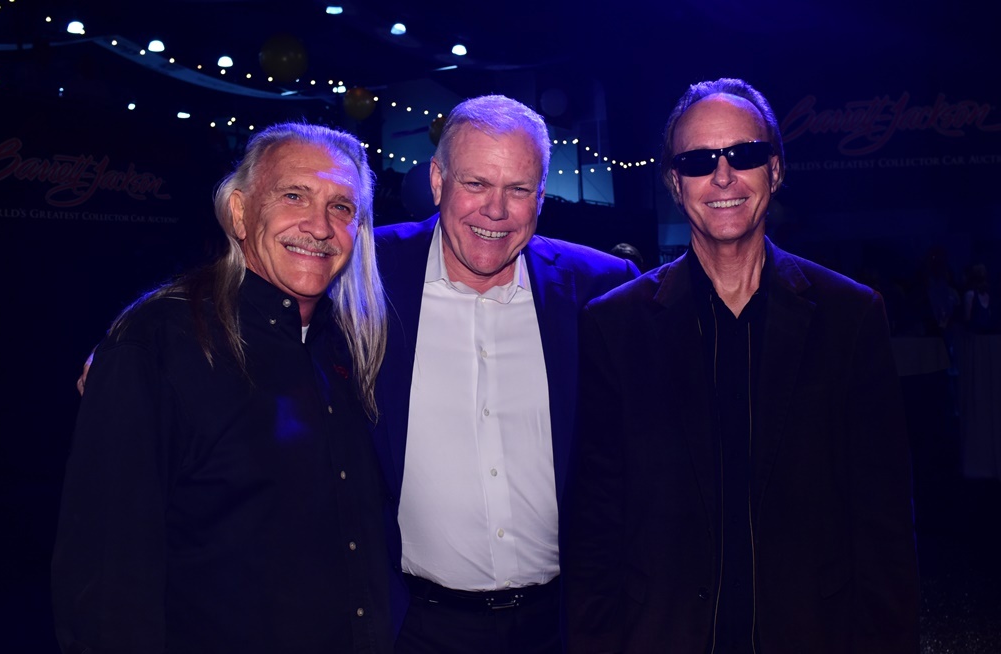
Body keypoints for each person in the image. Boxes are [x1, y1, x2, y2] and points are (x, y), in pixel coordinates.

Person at [562, 78, 919, 653]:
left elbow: (883, 526)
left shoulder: (849, 317)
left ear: (774, 171)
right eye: (700, 160)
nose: (723, 176)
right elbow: (596, 525)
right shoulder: (615, 324)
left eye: (744, 155)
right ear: (675, 184)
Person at [53, 123, 393, 654]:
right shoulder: (160, 342)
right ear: (239, 212)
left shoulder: (344, 343)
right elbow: (106, 575)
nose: (320, 225)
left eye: (342, 207)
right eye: (294, 195)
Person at [371, 95, 640, 653]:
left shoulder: (601, 288)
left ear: (541, 196)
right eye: (476, 184)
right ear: (438, 180)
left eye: (518, 190)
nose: (495, 211)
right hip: (415, 628)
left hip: (565, 626)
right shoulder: (367, 274)